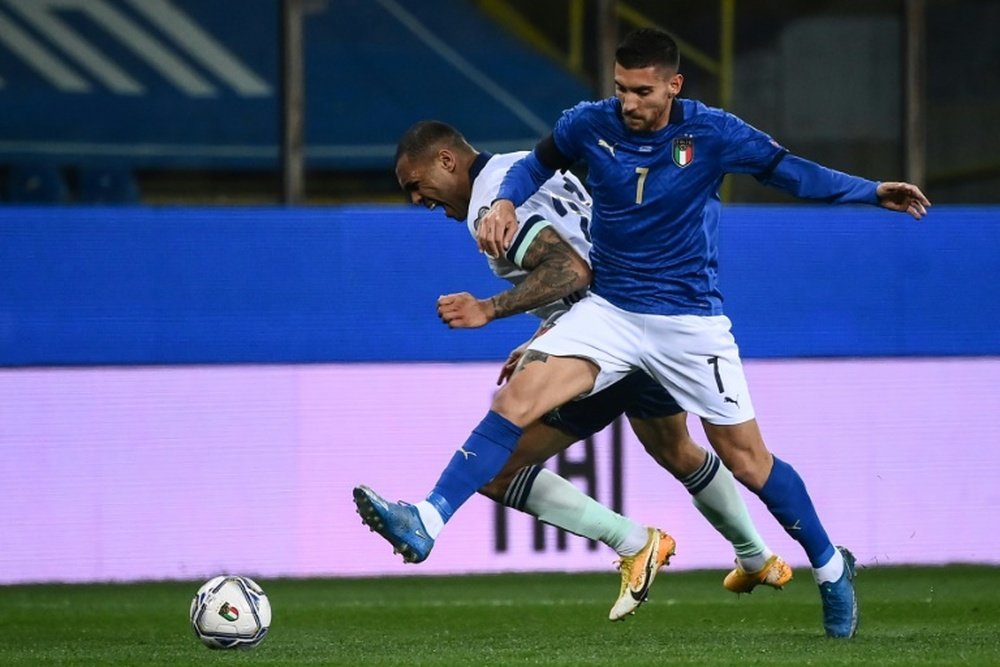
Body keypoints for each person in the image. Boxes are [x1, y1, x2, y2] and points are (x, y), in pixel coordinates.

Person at [358, 28, 930, 638]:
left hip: (689, 322)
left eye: (643, 91)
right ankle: (427, 516)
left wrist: (869, 191)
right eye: (621, 89)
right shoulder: (587, 124)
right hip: (612, 312)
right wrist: (504, 201)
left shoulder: (711, 133)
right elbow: (535, 163)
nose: (629, 103)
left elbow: (787, 172)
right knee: (515, 399)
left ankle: (828, 564)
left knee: (746, 461)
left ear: (673, 86)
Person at [354, 119, 791, 621]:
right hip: (641, 315)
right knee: (676, 449)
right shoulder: (519, 166)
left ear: (447, 161)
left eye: (416, 185)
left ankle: (621, 540)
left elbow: (570, 270)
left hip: (608, 340)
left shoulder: (487, 207)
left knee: (497, 465)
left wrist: (489, 308)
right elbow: (585, 258)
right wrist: (548, 332)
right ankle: (756, 556)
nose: (417, 200)